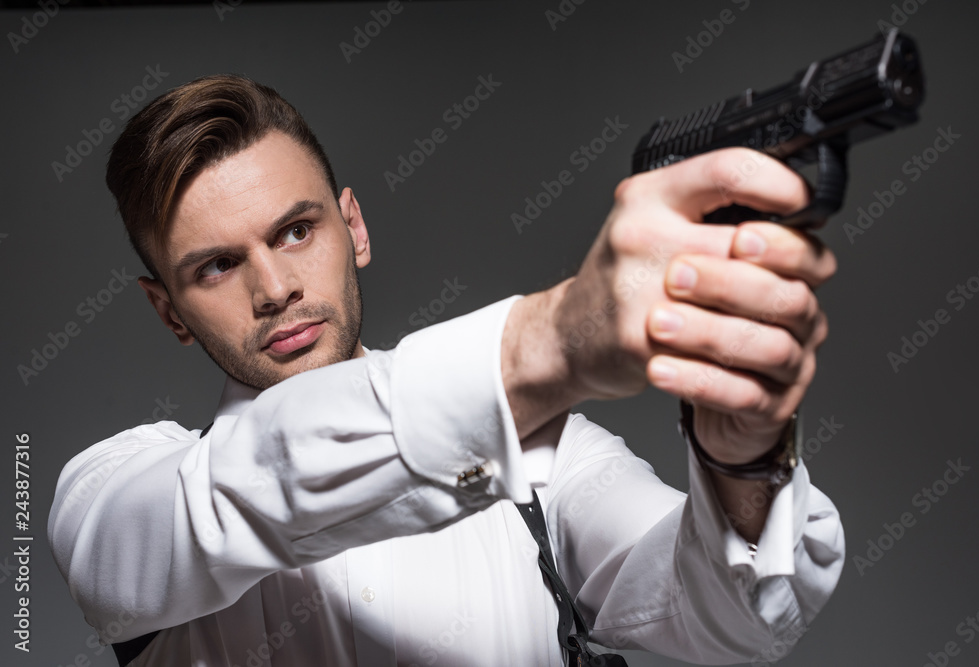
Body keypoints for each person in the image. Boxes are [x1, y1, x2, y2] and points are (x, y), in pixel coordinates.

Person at [48, 74, 844, 666]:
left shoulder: (550, 456)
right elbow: (255, 477)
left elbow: (741, 616)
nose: (275, 287)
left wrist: (741, 453)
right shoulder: (113, 495)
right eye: (218, 266)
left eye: (296, 231)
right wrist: (554, 340)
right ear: (168, 310)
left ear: (354, 228)